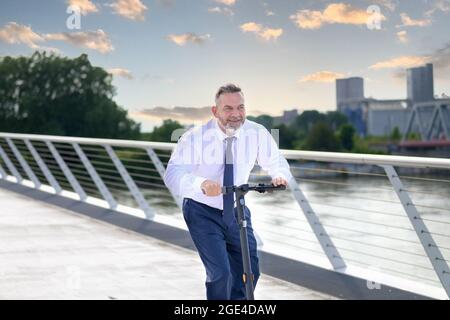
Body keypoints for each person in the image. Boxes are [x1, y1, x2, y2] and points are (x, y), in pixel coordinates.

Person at [164, 83, 290, 300]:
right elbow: (173, 174)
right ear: (215, 111)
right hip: (202, 211)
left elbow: (276, 160)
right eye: (228, 109)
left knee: (249, 273)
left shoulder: (256, 132)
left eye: (240, 107)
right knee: (220, 275)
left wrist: (279, 175)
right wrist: (201, 183)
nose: (236, 114)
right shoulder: (196, 137)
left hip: (236, 210)